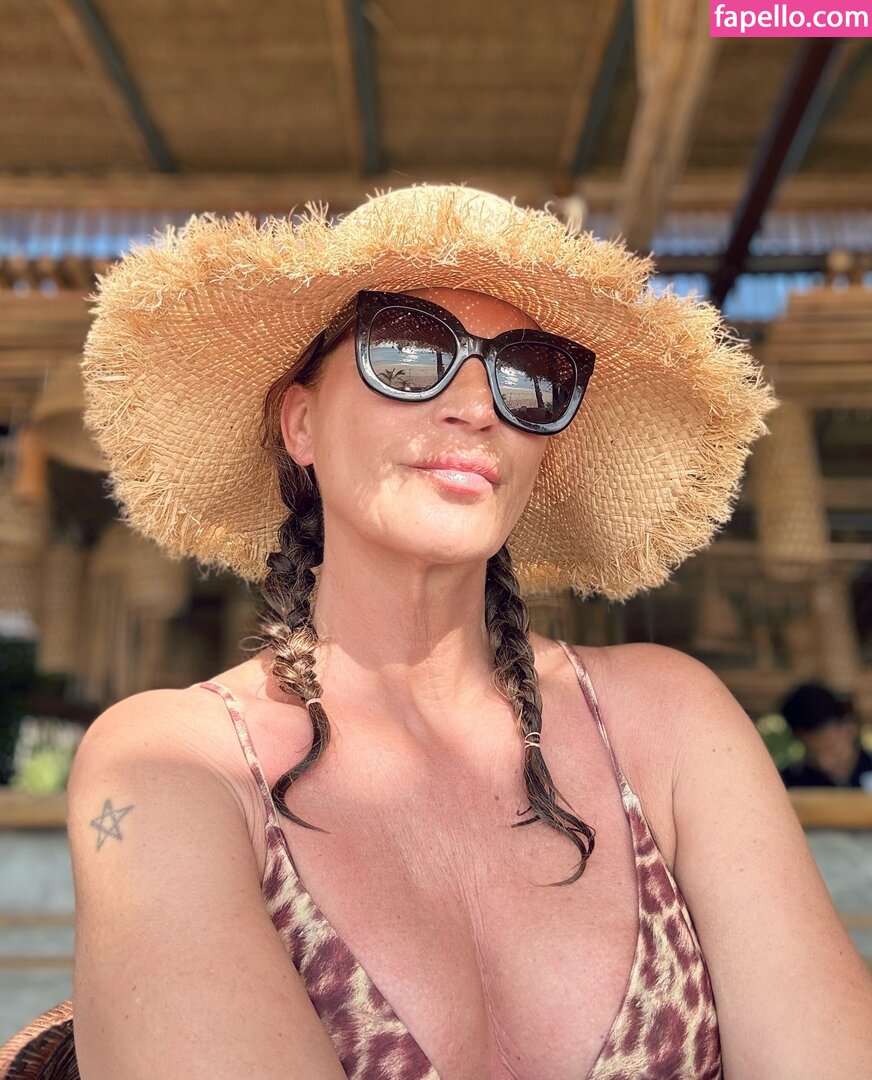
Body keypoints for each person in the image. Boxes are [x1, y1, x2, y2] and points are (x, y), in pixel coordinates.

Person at [3, 185, 871, 1079]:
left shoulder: (671, 719)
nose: (476, 407)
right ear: (300, 422)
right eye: (408, 354)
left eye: (528, 376)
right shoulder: (174, 764)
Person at [779, 681, 872, 789]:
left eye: (833, 750)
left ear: (849, 729)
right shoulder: (790, 783)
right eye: (812, 755)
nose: (825, 764)